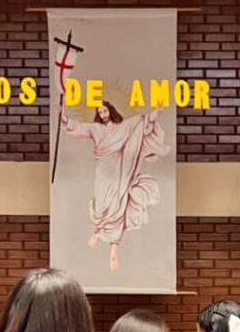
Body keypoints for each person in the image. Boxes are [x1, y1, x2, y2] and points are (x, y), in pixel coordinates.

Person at [60, 102, 170, 271]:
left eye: (105, 110)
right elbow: (78, 128)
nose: (103, 114)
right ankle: (99, 231)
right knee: (101, 206)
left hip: (119, 172)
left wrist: (158, 111)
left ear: (110, 110)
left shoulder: (123, 126)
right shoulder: (95, 128)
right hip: (103, 172)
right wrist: (63, 117)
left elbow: (144, 122)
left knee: (118, 205)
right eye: (100, 112)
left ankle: (114, 251)